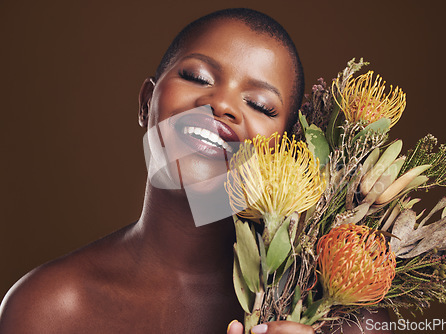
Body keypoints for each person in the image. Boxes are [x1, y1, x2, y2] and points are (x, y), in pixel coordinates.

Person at [0, 8, 391, 334]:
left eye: (259, 104)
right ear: (145, 102)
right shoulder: (48, 309)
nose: (221, 104)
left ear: (285, 151)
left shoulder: (341, 319)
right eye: (198, 77)